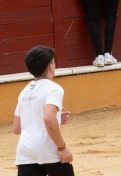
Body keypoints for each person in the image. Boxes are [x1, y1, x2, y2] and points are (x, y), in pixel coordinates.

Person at [13, 46, 74, 176]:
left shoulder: (24, 91)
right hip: (48, 149)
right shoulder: (54, 88)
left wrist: (56, 117)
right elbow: (48, 118)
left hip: (26, 151)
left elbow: (17, 128)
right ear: (51, 67)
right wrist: (62, 148)